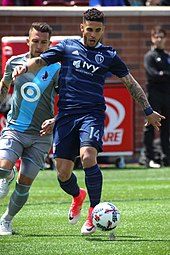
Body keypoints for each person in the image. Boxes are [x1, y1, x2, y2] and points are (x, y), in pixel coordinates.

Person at [12, 8, 165, 235]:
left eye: (98, 30)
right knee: (63, 173)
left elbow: (130, 83)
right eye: (90, 29)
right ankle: (78, 196)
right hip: (65, 116)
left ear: (103, 31)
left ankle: (94, 212)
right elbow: (41, 61)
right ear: (82, 28)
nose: (93, 34)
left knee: (87, 156)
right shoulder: (67, 47)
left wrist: (148, 110)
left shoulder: (109, 55)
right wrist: (24, 67)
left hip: (91, 115)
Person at [0, 22, 60, 235]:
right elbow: (5, 86)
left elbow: (69, 101)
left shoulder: (57, 68)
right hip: (15, 129)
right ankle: (7, 175)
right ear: (28, 41)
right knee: (2, 168)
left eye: (44, 42)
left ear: (50, 44)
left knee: (24, 184)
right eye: (35, 41)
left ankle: (6, 220)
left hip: (41, 136)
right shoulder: (13, 63)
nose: (39, 46)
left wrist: (56, 120)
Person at [142, 26, 170, 168]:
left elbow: (162, 75)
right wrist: (165, 74)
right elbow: (153, 75)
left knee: (167, 127)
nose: (159, 39)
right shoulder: (150, 56)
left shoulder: (167, 56)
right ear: (152, 38)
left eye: (161, 36)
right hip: (154, 95)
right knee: (150, 126)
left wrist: (163, 74)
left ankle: (166, 157)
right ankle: (149, 158)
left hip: (167, 95)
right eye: (156, 36)